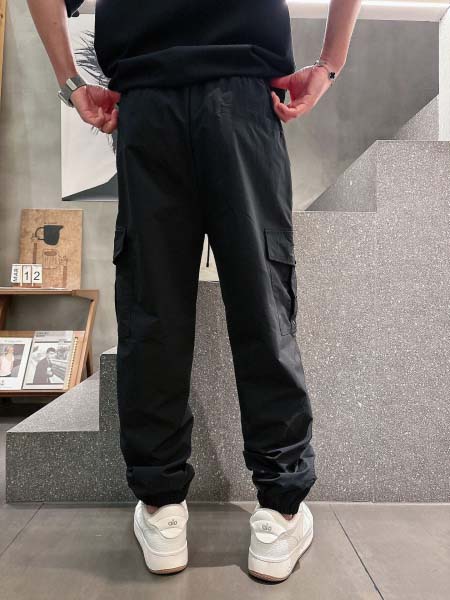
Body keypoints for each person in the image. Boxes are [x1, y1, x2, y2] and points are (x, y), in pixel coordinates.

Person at [27, 0, 361, 582]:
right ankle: (280, 511)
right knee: (262, 305)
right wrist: (329, 63)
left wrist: (71, 83)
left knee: (153, 312)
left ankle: (162, 508)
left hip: (148, 100)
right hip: (243, 96)